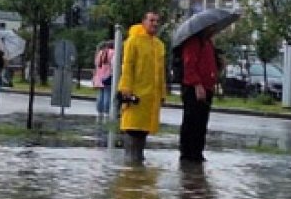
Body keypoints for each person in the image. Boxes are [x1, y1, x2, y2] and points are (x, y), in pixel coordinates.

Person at [117, 11, 166, 163]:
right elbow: (127, 66)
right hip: (135, 95)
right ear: (143, 22)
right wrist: (126, 89)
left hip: (150, 98)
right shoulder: (133, 41)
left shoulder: (159, 45)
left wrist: (162, 94)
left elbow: (161, 72)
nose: (155, 24)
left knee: (143, 132)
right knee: (133, 130)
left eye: (157, 21)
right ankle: (131, 166)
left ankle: (137, 164)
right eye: (151, 20)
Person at [178, 28, 218, 163]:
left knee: (201, 122)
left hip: (207, 88)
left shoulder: (208, 42)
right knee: (192, 121)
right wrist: (196, 84)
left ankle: (197, 152)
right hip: (194, 88)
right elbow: (189, 64)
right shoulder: (194, 42)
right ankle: (187, 153)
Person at [92, 40, 115, 120]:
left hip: (99, 77)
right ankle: (106, 113)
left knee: (100, 95)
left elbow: (96, 64)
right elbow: (114, 65)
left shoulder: (100, 53)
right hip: (108, 76)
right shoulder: (113, 53)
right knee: (107, 94)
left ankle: (99, 112)